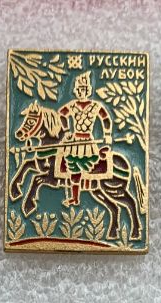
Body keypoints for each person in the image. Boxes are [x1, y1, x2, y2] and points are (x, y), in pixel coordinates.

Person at [57, 71, 112, 206]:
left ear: (88, 91)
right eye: (79, 89)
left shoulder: (95, 106)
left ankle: (91, 186)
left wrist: (107, 134)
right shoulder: (73, 105)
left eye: (84, 89)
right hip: (75, 141)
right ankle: (75, 198)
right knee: (73, 168)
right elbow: (61, 114)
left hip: (88, 142)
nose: (82, 92)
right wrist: (67, 131)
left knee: (86, 164)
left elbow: (106, 118)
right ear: (76, 91)